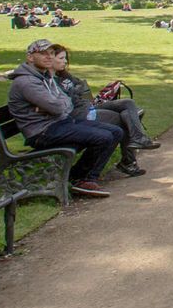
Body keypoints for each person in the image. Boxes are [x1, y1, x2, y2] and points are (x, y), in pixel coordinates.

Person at [7, 39, 124, 197]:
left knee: (116, 132)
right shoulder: (27, 82)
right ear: (30, 57)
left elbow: (65, 104)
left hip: (60, 122)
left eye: (51, 53)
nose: (48, 57)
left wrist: (50, 106)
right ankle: (83, 179)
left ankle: (79, 176)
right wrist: (55, 106)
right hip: (43, 132)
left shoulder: (45, 77)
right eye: (42, 53)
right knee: (103, 137)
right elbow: (58, 107)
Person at [50, 44, 157, 177]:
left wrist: (76, 90)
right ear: (50, 59)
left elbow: (80, 88)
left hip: (89, 107)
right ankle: (128, 162)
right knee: (123, 119)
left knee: (128, 104)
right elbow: (67, 100)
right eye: (61, 58)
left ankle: (138, 138)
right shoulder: (49, 80)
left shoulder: (64, 76)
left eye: (65, 58)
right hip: (81, 115)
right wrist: (75, 91)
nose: (65, 62)